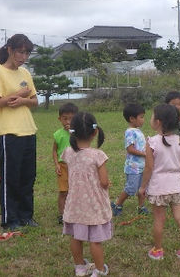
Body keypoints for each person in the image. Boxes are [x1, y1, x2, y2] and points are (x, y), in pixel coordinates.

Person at [0, 34, 39, 231]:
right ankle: (10, 219)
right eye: (20, 52)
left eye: (26, 53)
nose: (23, 57)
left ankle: (26, 216)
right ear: (9, 50)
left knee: (28, 176)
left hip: (28, 130)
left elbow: (35, 101)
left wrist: (24, 100)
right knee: (10, 177)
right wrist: (18, 95)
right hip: (8, 133)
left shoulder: (25, 73)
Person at [139, 104, 180, 261]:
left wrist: (143, 187)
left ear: (158, 122)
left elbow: (149, 168)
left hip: (158, 188)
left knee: (158, 220)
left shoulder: (152, 142)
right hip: (177, 186)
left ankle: (157, 251)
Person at [62, 112, 111, 276]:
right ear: (95, 132)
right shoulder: (98, 155)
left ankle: (80, 267)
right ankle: (99, 270)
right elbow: (104, 182)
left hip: (75, 205)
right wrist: (107, 184)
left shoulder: (68, 152)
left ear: (72, 132)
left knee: (76, 237)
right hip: (94, 206)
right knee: (95, 241)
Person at [111, 103, 148, 216]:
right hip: (133, 167)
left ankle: (141, 207)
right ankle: (117, 204)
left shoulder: (138, 131)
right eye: (141, 117)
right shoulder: (130, 132)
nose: (143, 120)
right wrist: (145, 154)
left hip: (142, 166)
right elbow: (130, 149)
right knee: (131, 188)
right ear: (132, 118)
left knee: (143, 187)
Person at [53, 102, 79, 224]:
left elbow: (81, 146)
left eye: (72, 119)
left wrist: (72, 133)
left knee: (77, 190)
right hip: (63, 166)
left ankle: (75, 212)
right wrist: (56, 164)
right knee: (63, 191)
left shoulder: (79, 133)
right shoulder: (57, 134)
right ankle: (62, 214)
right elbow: (54, 150)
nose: (68, 121)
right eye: (65, 118)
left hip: (77, 166)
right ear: (59, 119)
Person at [165, 91, 180, 189]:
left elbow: (178, 132)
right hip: (167, 152)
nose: (177, 107)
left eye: (179, 104)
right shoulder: (163, 119)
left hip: (179, 151)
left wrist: (178, 121)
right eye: (173, 104)